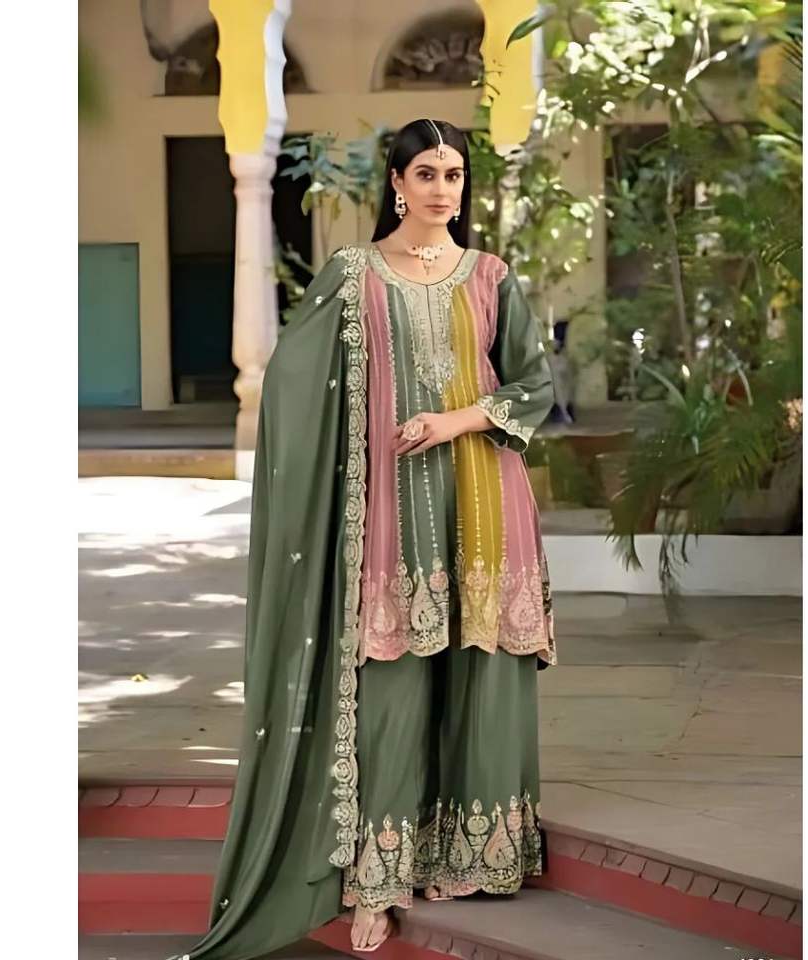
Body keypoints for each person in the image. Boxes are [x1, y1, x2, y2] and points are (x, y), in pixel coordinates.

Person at [168, 118, 557, 960]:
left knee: (484, 679)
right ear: (397, 184)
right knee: (392, 692)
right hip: (389, 514)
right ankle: (378, 882)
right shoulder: (354, 277)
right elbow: (292, 383)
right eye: (427, 173)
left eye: (454, 174)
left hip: (487, 502)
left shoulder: (491, 276)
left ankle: (473, 858)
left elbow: (535, 385)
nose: (443, 188)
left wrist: (454, 420)